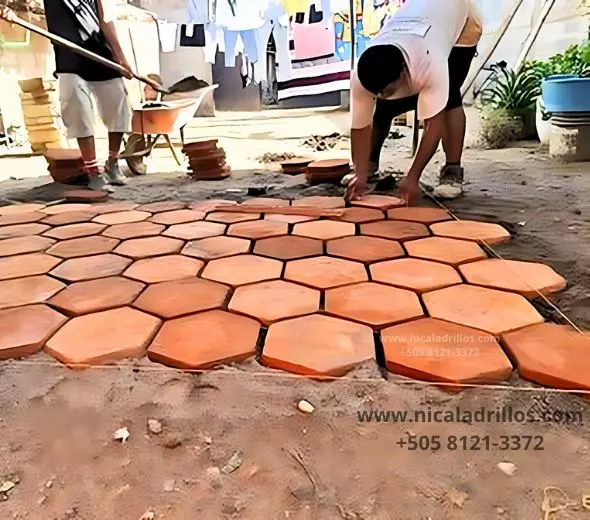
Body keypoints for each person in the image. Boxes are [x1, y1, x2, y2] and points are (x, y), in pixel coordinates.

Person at [347, 0, 482, 205]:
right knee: (385, 106)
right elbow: (359, 127)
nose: (382, 94)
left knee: (450, 97)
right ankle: (369, 167)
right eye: (377, 92)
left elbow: (432, 127)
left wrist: (412, 177)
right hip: (416, 20)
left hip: (461, 21)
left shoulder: (430, 63)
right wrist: (359, 173)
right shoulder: (362, 73)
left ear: (403, 70)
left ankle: (452, 172)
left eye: (387, 89)